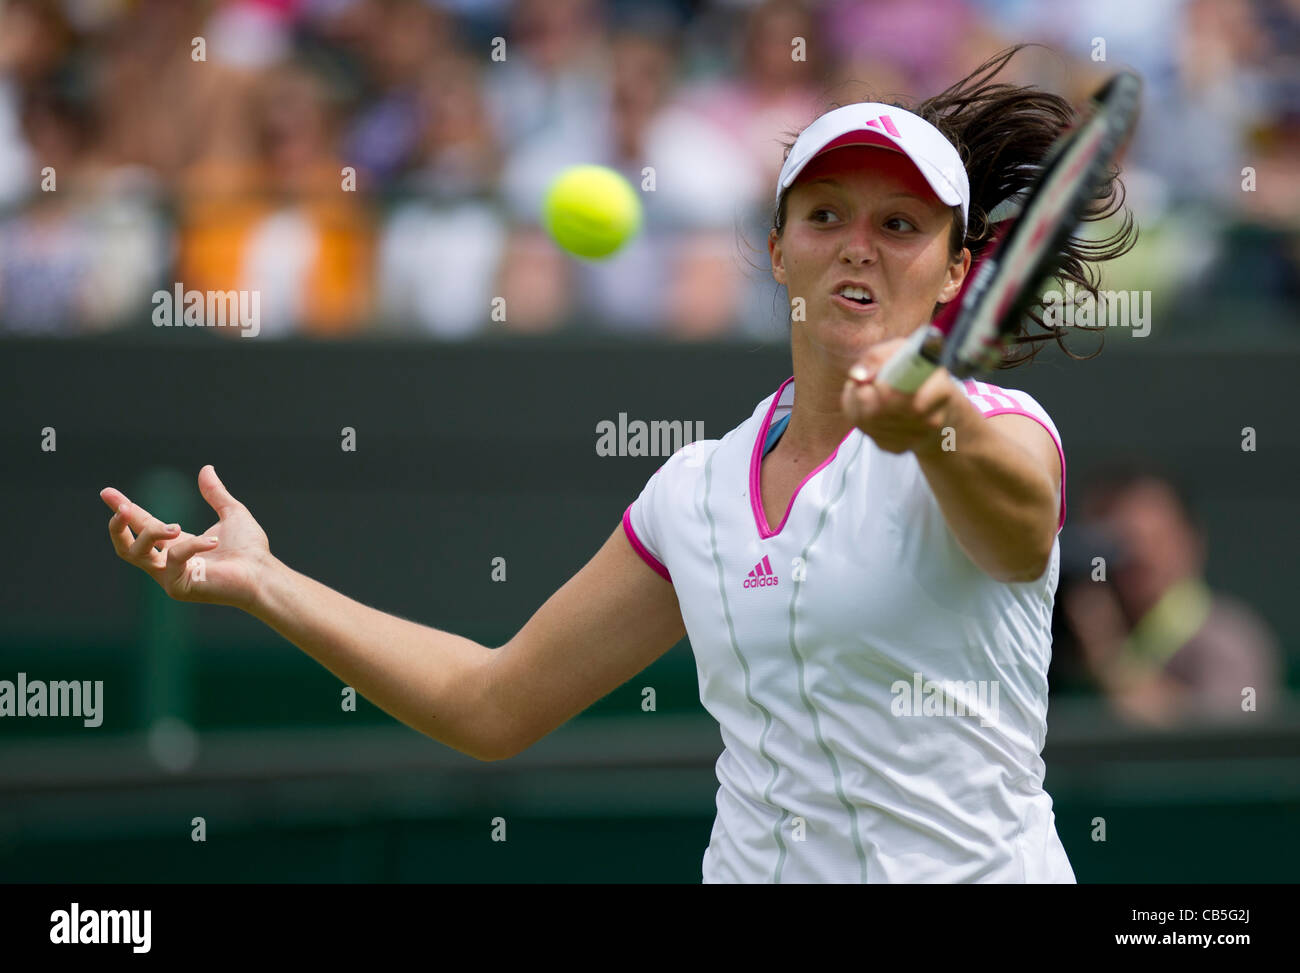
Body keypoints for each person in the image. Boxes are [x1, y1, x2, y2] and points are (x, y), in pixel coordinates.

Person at [99, 48, 1134, 883]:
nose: (857, 246)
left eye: (899, 226)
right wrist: (268, 585)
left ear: (957, 269)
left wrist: (931, 423)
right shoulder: (693, 491)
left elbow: (1014, 520)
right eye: (825, 217)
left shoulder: (996, 426)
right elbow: (492, 703)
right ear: (778, 251)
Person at [1061, 466, 1282, 726]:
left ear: (1192, 541)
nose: (1139, 557)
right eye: (1122, 543)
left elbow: (1221, 747)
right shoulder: (1067, 636)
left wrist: (1107, 652)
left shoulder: (1229, 643)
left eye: (1155, 540)